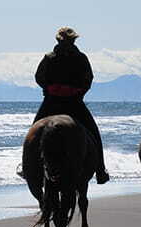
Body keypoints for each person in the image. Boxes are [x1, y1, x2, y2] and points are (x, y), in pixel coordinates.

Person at [32, 27, 109, 183]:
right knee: (93, 132)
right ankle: (100, 170)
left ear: (58, 41)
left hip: (51, 103)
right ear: (74, 41)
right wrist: (78, 92)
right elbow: (88, 80)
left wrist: (50, 88)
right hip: (74, 103)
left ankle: (30, 168)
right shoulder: (81, 58)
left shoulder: (49, 57)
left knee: (34, 133)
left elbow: (39, 77)